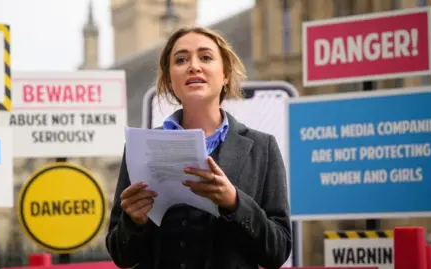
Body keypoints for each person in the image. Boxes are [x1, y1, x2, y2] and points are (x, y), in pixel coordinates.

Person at [105, 26, 292, 269]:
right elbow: (122, 256)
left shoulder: (262, 148)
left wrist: (234, 202)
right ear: (170, 78)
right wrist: (134, 222)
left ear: (225, 73)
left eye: (206, 57)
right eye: (181, 59)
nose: (193, 66)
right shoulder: (141, 147)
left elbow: (277, 251)